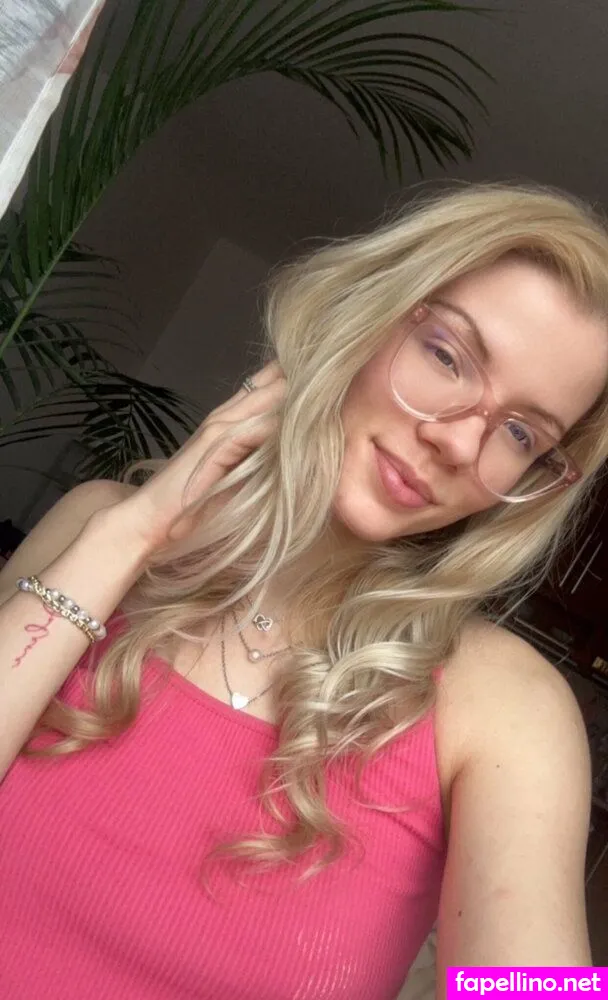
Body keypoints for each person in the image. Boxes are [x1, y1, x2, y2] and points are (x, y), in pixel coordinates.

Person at [1, 182, 607, 1000]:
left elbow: (535, 987)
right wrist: (131, 535)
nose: (461, 443)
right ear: (367, 316)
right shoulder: (95, 531)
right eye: (447, 356)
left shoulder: (506, 708)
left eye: (521, 432)